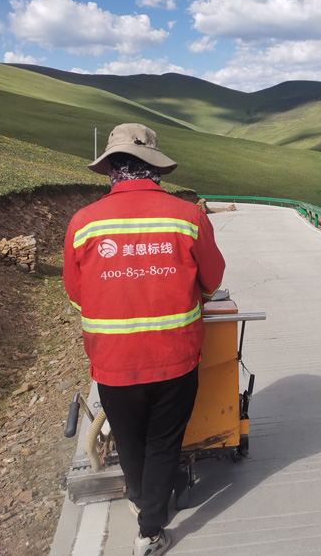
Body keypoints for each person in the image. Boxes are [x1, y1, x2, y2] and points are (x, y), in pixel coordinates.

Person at [63, 123, 225, 556]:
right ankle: (151, 530)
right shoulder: (187, 216)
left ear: (112, 168)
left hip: (112, 361)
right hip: (175, 355)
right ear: (155, 168)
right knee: (163, 440)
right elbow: (211, 280)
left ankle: (141, 503)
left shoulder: (83, 223)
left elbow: (77, 294)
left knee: (130, 438)